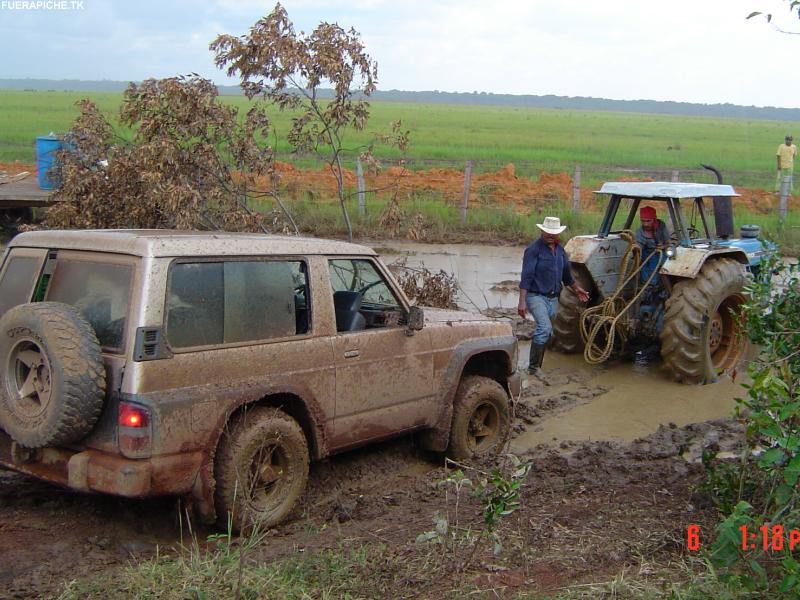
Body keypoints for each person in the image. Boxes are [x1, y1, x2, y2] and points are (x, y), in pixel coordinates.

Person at [518, 216, 589, 375]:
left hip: (553, 298)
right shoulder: (533, 250)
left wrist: (577, 289)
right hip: (536, 296)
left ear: (558, 234)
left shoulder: (560, 251)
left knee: (549, 332)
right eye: (547, 232)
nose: (550, 235)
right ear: (542, 231)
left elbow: (567, 276)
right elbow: (526, 277)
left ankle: (538, 365)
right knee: (544, 328)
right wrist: (522, 302)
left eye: (553, 233)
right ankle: (533, 368)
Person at [635, 205, 670, 285]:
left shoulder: (661, 226)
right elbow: (638, 248)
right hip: (648, 254)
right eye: (643, 221)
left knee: (668, 265)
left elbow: (668, 242)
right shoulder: (640, 233)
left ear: (654, 219)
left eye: (648, 221)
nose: (645, 224)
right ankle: (649, 283)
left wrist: (663, 247)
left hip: (662, 252)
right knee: (647, 266)